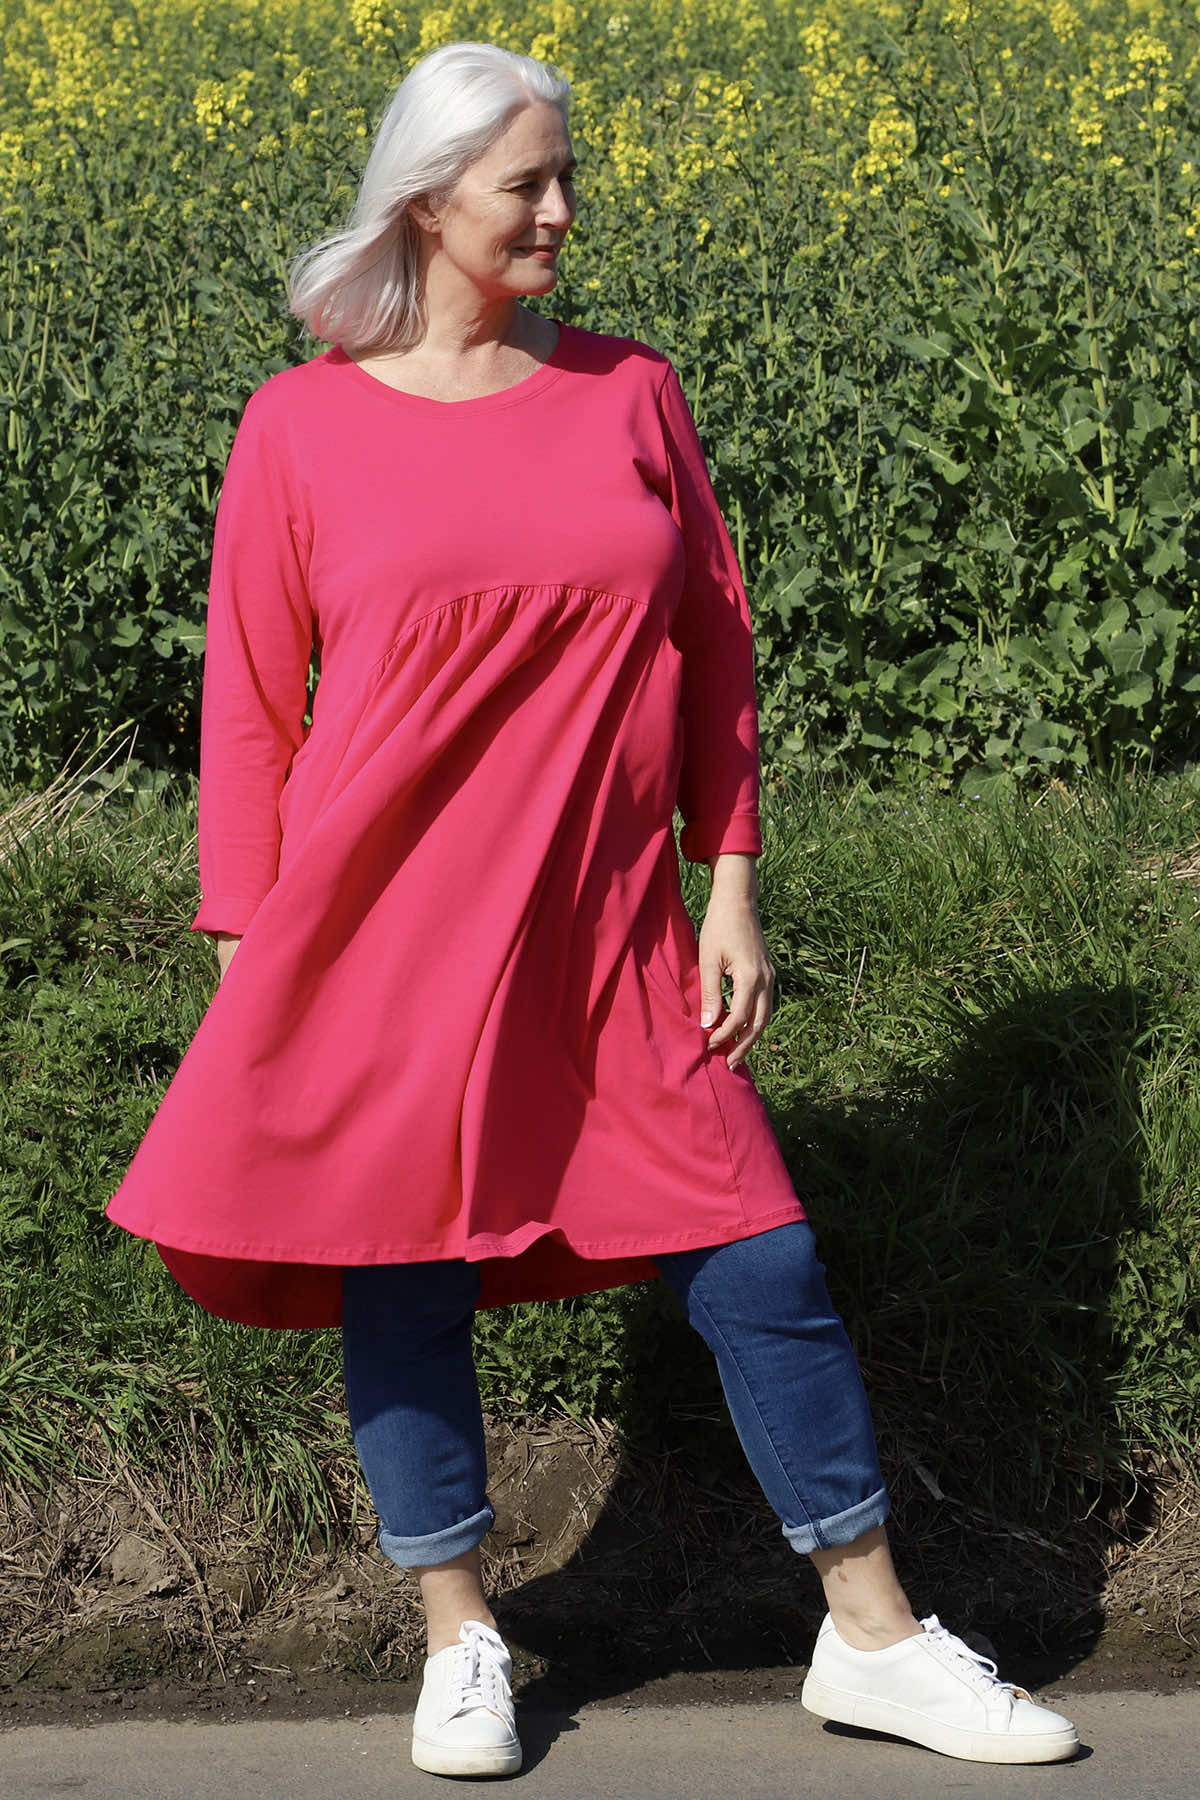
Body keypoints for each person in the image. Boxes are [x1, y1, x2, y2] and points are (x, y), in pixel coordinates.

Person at [106, 41, 1078, 1779]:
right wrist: (252, 955)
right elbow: (248, 710)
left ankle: (874, 1637)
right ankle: (458, 1635)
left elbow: (713, 634)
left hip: (610, 920)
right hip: (379, 931)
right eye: (526, 184)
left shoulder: (633, 392)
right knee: (400, 1266)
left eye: (568, 178)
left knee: (760, 1250)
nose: (561, 210)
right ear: (429, 201)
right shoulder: (300, 423)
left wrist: (730, 878)